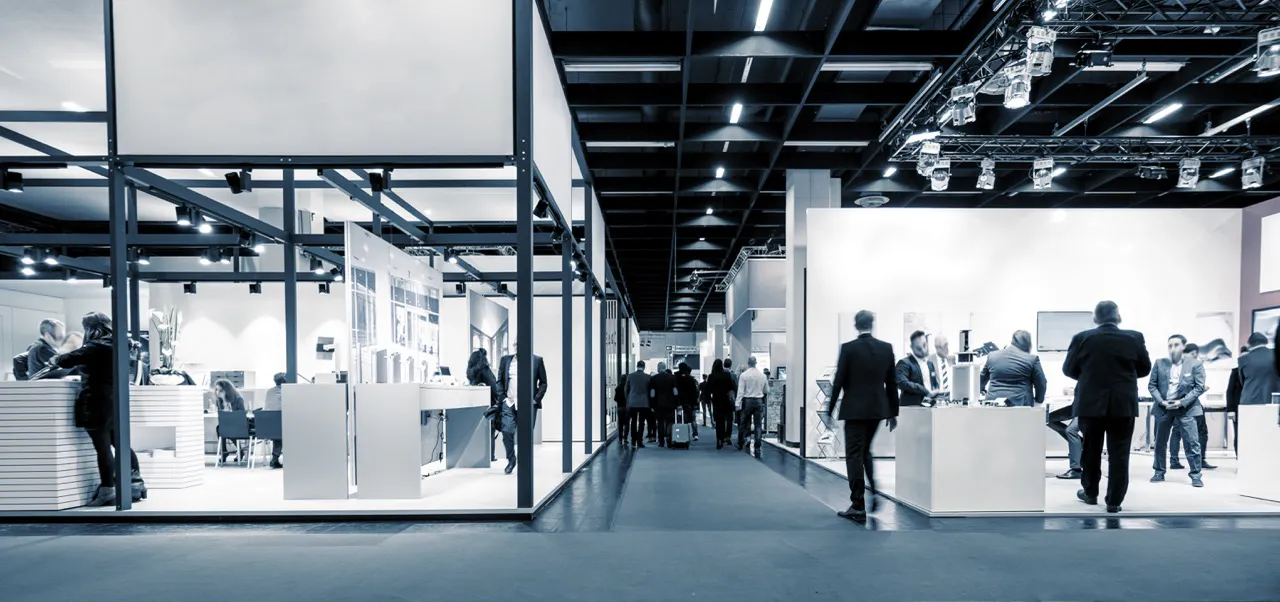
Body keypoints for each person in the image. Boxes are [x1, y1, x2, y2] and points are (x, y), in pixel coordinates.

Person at [1063, 300, 1152, 513]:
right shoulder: (1134, 337)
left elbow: (1068, 369)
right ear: (1117, 317)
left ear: (1095, 318)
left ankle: (1091, 493)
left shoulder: (1082, 338)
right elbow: (1144, 369)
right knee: (1119, 453)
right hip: (1123, 404)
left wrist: (1088, 378)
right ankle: (1114, 501)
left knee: (1091, 450)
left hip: (1091, 404)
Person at [52, 312, 145, 507]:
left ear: (90, 328)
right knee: (119, 444)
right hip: (117, 401)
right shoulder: (122, 344)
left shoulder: (94, 347)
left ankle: (107, 489)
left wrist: (56, 359)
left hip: (97, 401)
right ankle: (135, 483)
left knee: (102, 448)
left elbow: (65, 360)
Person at [824, 310, 899, 523]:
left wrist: (829, 411)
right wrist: (893, 412)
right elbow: (892, 383)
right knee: (866, 451)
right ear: (872, 325)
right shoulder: (886, 348)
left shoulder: (848, 349)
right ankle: (874, 491)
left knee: (854, 455)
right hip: (877, 410)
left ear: (856, 325)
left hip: (854, 410)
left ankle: (858, 504)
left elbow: (838, 381)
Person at [1148, 334, 1206, 487]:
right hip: (1163, 408)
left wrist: (1181, 402)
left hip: (1187, 408)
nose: (1172, 348)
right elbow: (1152, 385)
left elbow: (1199, 387)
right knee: (1160, 442)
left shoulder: (1195, 364)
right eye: (1170, 345)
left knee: (1192, 443)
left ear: (1183, 346)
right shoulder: (1160, 363)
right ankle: (1159, 472)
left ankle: (1195, 475)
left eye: (1176, 344)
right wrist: (1161, 401)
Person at [1170, 343, 1216, 470]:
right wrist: (1200, 389)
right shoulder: (1194, 364)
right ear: (1194, 352)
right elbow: (1196, 387)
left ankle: (1174, 461)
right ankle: (1199, 461)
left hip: (1174, 402)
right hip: (1189, 403)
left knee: (1176, 432)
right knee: (1200, 431)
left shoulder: (1174, 363)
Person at [469, 348, 516, 473]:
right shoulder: (485, 369)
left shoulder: (470, 371)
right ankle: (491, 455)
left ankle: (489, 455)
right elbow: (495, 387)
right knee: (491, 429)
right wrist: (500, 401)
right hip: (490, 403)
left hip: (478, 403)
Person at [980, 330, 1047, 407]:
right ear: (1028, 344)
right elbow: (1041, 383)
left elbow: (981, 379)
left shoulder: (992, 356)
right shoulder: (1032, 359)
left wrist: (982, 390)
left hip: (992, 404)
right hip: (1021, 406)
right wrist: (1038, 400)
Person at [896, 330, 939, 406]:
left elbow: (933, 385)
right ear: (911, 347)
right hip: (911, 409)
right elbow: (901, 383)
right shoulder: (904, 363)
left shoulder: (930, 364)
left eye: (924, 345)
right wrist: (924, 390)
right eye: (918, 348)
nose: (923, 350)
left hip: (930, 408)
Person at [735, 356, 768, 454]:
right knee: (758, 425)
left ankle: (740, 442)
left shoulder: (744, 375)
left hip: (747, 401)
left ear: (748, 363)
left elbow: (740, 391)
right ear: (756, 363)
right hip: (758, 401)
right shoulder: (762, 376)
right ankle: (757, 446)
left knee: (743, 423)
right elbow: (766, 390)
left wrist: (737, 403)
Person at [213, 379, 248, 463]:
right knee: (219, 428)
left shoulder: (238, 399)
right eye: (217, 390)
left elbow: (241, 415)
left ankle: (239, 451)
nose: (218, 392)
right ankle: (224, 452)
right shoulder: (219, 401)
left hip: (238, 424)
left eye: (221, 390)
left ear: (227, 390)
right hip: (227, 424)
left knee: (227, 429)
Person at [704, 359, 737, 449]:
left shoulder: (711, 376)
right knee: (728, 419)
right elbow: (732, 387)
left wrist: (709, 399)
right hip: (726, 400)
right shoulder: (727, 375)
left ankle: (719, 440)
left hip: (717, 401)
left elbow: (708, 390)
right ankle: (727, 437)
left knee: (719, 421)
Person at [649, 362, 678, 447]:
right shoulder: (672, 377)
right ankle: (669, 440)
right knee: (670, 422)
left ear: (658, 368)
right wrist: (677, 403)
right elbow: (675, 391)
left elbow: (652, 393)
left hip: (658, 404)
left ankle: (661, 441)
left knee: (660, 423)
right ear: (665, 368)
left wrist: (651, 404)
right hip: (670, 404)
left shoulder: (654, 378)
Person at [262, 372, 287, 469]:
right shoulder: (285, 392)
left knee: (278, 432)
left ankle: (275, 458)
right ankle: (275, 459)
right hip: (280, 425)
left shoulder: (269, 392)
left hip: (269, 426)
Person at [624, 361, 652, 448]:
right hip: (644, 402)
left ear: (637, 366)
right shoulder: (648, 377)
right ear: (644, 367)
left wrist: (628, 399)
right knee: (641, 422)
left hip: (632, 402)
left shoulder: (630, 376)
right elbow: (649, 390)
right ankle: (640, 441)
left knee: (633, 421)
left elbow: (626, 389)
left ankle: (633, 440)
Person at [675, 363, 700, 443]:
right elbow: (694, 392)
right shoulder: (691, 379)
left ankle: (681, 435)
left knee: (680, 419)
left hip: (680, 402)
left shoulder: (676, 378)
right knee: (693, 419)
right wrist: (695, 403)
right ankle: (695, 434)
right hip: (690, 403)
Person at [934, 334, 954, 398]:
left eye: (947, 345)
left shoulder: (952, 359)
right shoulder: (930, 361)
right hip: (937, 397)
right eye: (945, 346)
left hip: (951, 397)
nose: (947, 349)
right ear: (937, 348)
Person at [613, 379, 630, 446]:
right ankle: (625, 438)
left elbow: (615, 398)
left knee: (620, 424)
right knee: (626, 423)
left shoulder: (618, 388)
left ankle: (620, 439)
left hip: (620, 407)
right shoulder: (628, 387)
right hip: (626, 407)